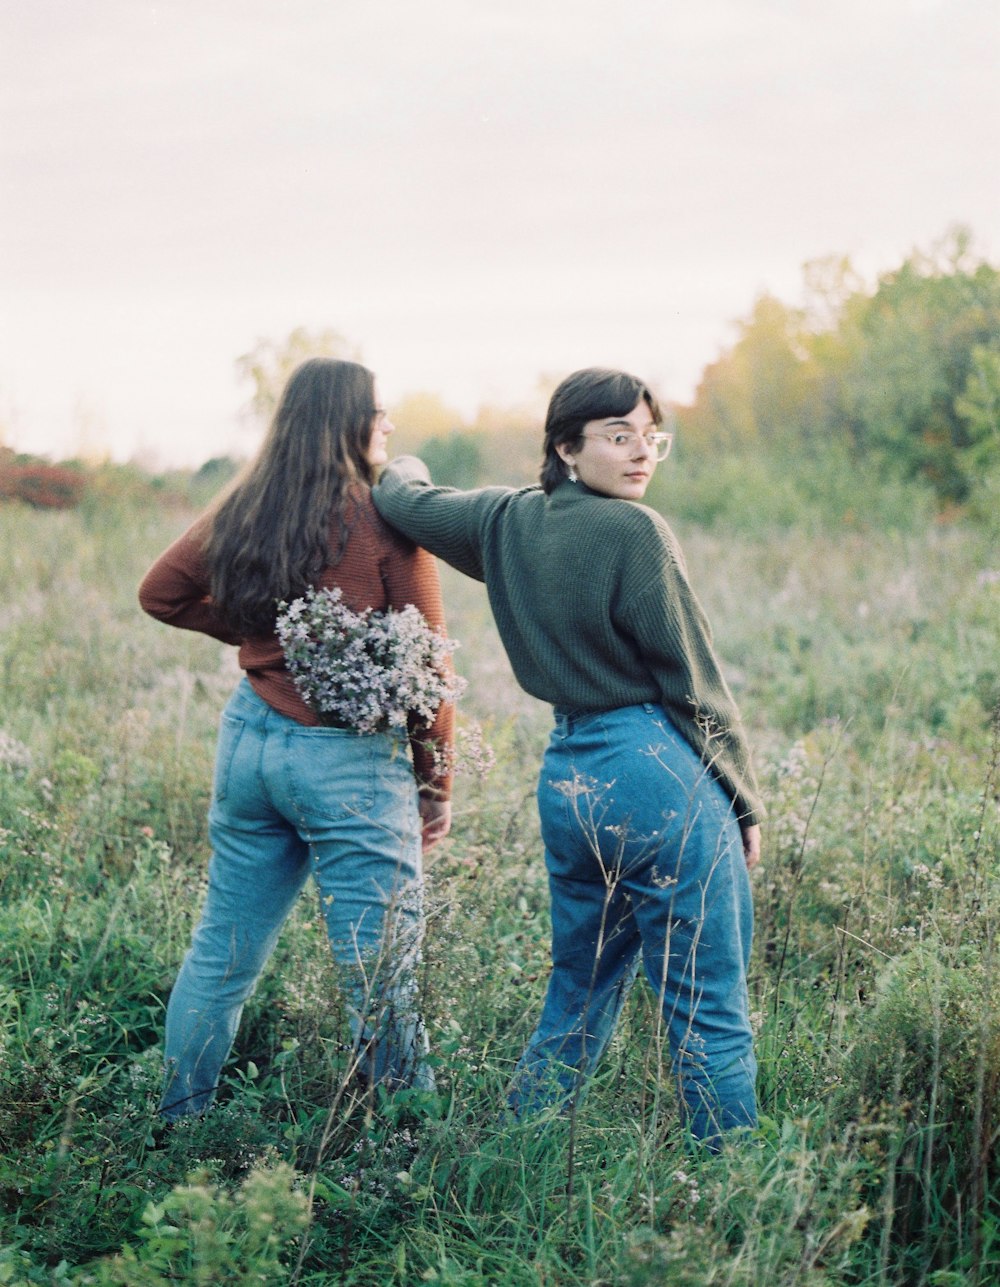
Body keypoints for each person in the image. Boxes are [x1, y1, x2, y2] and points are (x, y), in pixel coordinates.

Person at [372, 367, 762, 1146]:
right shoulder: (635, 532)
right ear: (566, 445)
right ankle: (732, 1173)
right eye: (619, 436)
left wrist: (399, 464)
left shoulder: (503, 521)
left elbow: (403, 498)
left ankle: (521, 1149)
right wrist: (744, 799)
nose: (641, 453)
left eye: (651, 437)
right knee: (706, 1001)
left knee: (577, 991)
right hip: (656, 770)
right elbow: (696, 681)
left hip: (569, 777)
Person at [138, 358, 454, 1118]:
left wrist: (262, 639)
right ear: (349, 423)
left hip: (250, 741)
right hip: (346, 758)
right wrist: (435, 787)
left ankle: (180, 1122)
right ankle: (405, 1149)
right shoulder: (385, 520)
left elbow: (161, 592)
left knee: (221, 952)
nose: (387, 427)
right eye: (378, 413)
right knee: (379, 974)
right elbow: (430, 675)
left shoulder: (248, 504)